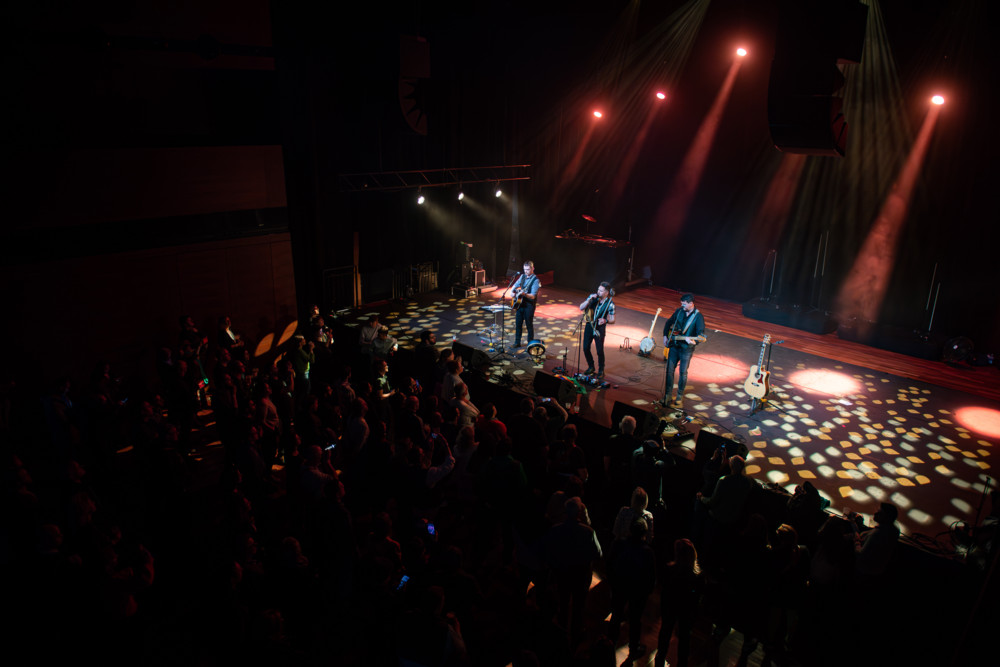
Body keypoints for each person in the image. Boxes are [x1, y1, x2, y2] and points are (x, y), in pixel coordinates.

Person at [660, 293, 705, 407]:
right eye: (681, 304)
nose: (682, 306)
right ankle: (668, 395)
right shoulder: (679, 311)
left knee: (683, 373)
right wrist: (665, 336)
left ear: (691, 303)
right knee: (669, 371)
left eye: (684, 304)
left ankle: (679, 395)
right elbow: (668, 323)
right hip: (674, 345)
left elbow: (701, 334)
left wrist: (695, 341)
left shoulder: (698, 317)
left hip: (686, 349)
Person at [578, 281, 615, 378]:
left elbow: (612, 319)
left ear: (607, 292)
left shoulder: (610, 304)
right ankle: (591, 366)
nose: (598, 292)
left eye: (601, 291)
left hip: (600, 328)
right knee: (585, 348)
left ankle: (601, 370)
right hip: (589, 326)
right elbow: (581, 307)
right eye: (598, 289)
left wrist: (605, 320)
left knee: (599, 351)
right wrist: (590, 299)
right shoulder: (592, 297)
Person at [512, 260, 540, 349]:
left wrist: (524, 294)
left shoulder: (536, 280)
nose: (526, 271)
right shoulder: (522, 276)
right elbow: (514, 286)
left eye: (528, 269)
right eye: (525, 269)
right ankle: (517, 342)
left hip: (529, 305)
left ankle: (530, 344)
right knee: (518, 324)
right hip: (520, 304)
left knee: (529, 325)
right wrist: (513, 293)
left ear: (533, 268)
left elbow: (533, 296)